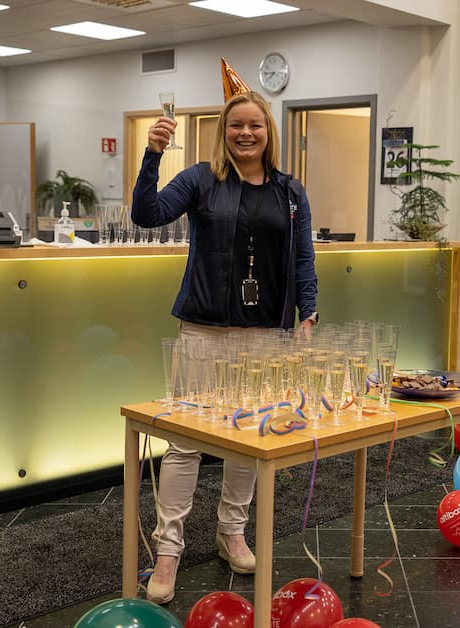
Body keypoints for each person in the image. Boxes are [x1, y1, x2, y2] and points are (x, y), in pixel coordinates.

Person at [130, 68, 318, 605]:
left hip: (266, 338)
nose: (245, 134)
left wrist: (309, 311)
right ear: (223, 130)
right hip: (204, 332)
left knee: (248, 442)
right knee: (185, 444)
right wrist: (151, 155)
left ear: (268, 132)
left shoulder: (290, 191)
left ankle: (231, 531)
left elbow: (304, 257)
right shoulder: (199, 179)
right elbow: (147, 215)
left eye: (255, 125)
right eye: (236, 125)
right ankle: (167, 552)